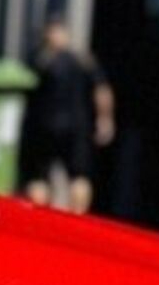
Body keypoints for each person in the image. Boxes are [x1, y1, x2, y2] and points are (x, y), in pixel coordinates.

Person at [20, 15, 113, 213]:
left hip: (48, 126)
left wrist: (104, 118)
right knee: (77, 177)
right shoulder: (83, 60)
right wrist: (105, 119)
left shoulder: (40, 60)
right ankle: (77, 219)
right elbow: (102, 90)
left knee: (41, 180)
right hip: (74, 128)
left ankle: (40, 221)